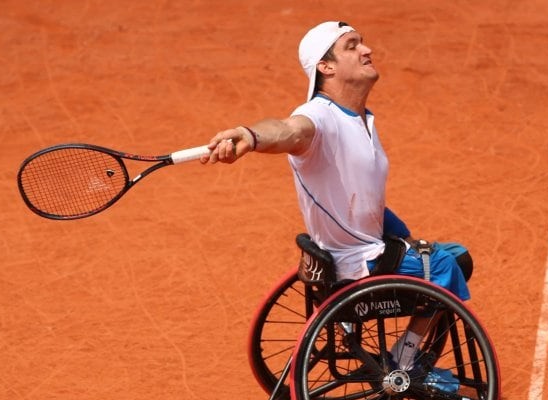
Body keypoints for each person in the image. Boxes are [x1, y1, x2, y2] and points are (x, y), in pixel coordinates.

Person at [200, 21, 471, 378]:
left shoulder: (359, 119)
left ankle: (410, 352)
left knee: (457, 257)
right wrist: (250, 135)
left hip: (362, 253)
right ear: (325, 67)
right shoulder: (318, 117)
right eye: (352, 45)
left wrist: (403, 236)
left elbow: (362, 199)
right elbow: (287, 130)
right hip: (358, 267)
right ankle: (403, 360)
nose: (366, 49)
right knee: (445, 267)